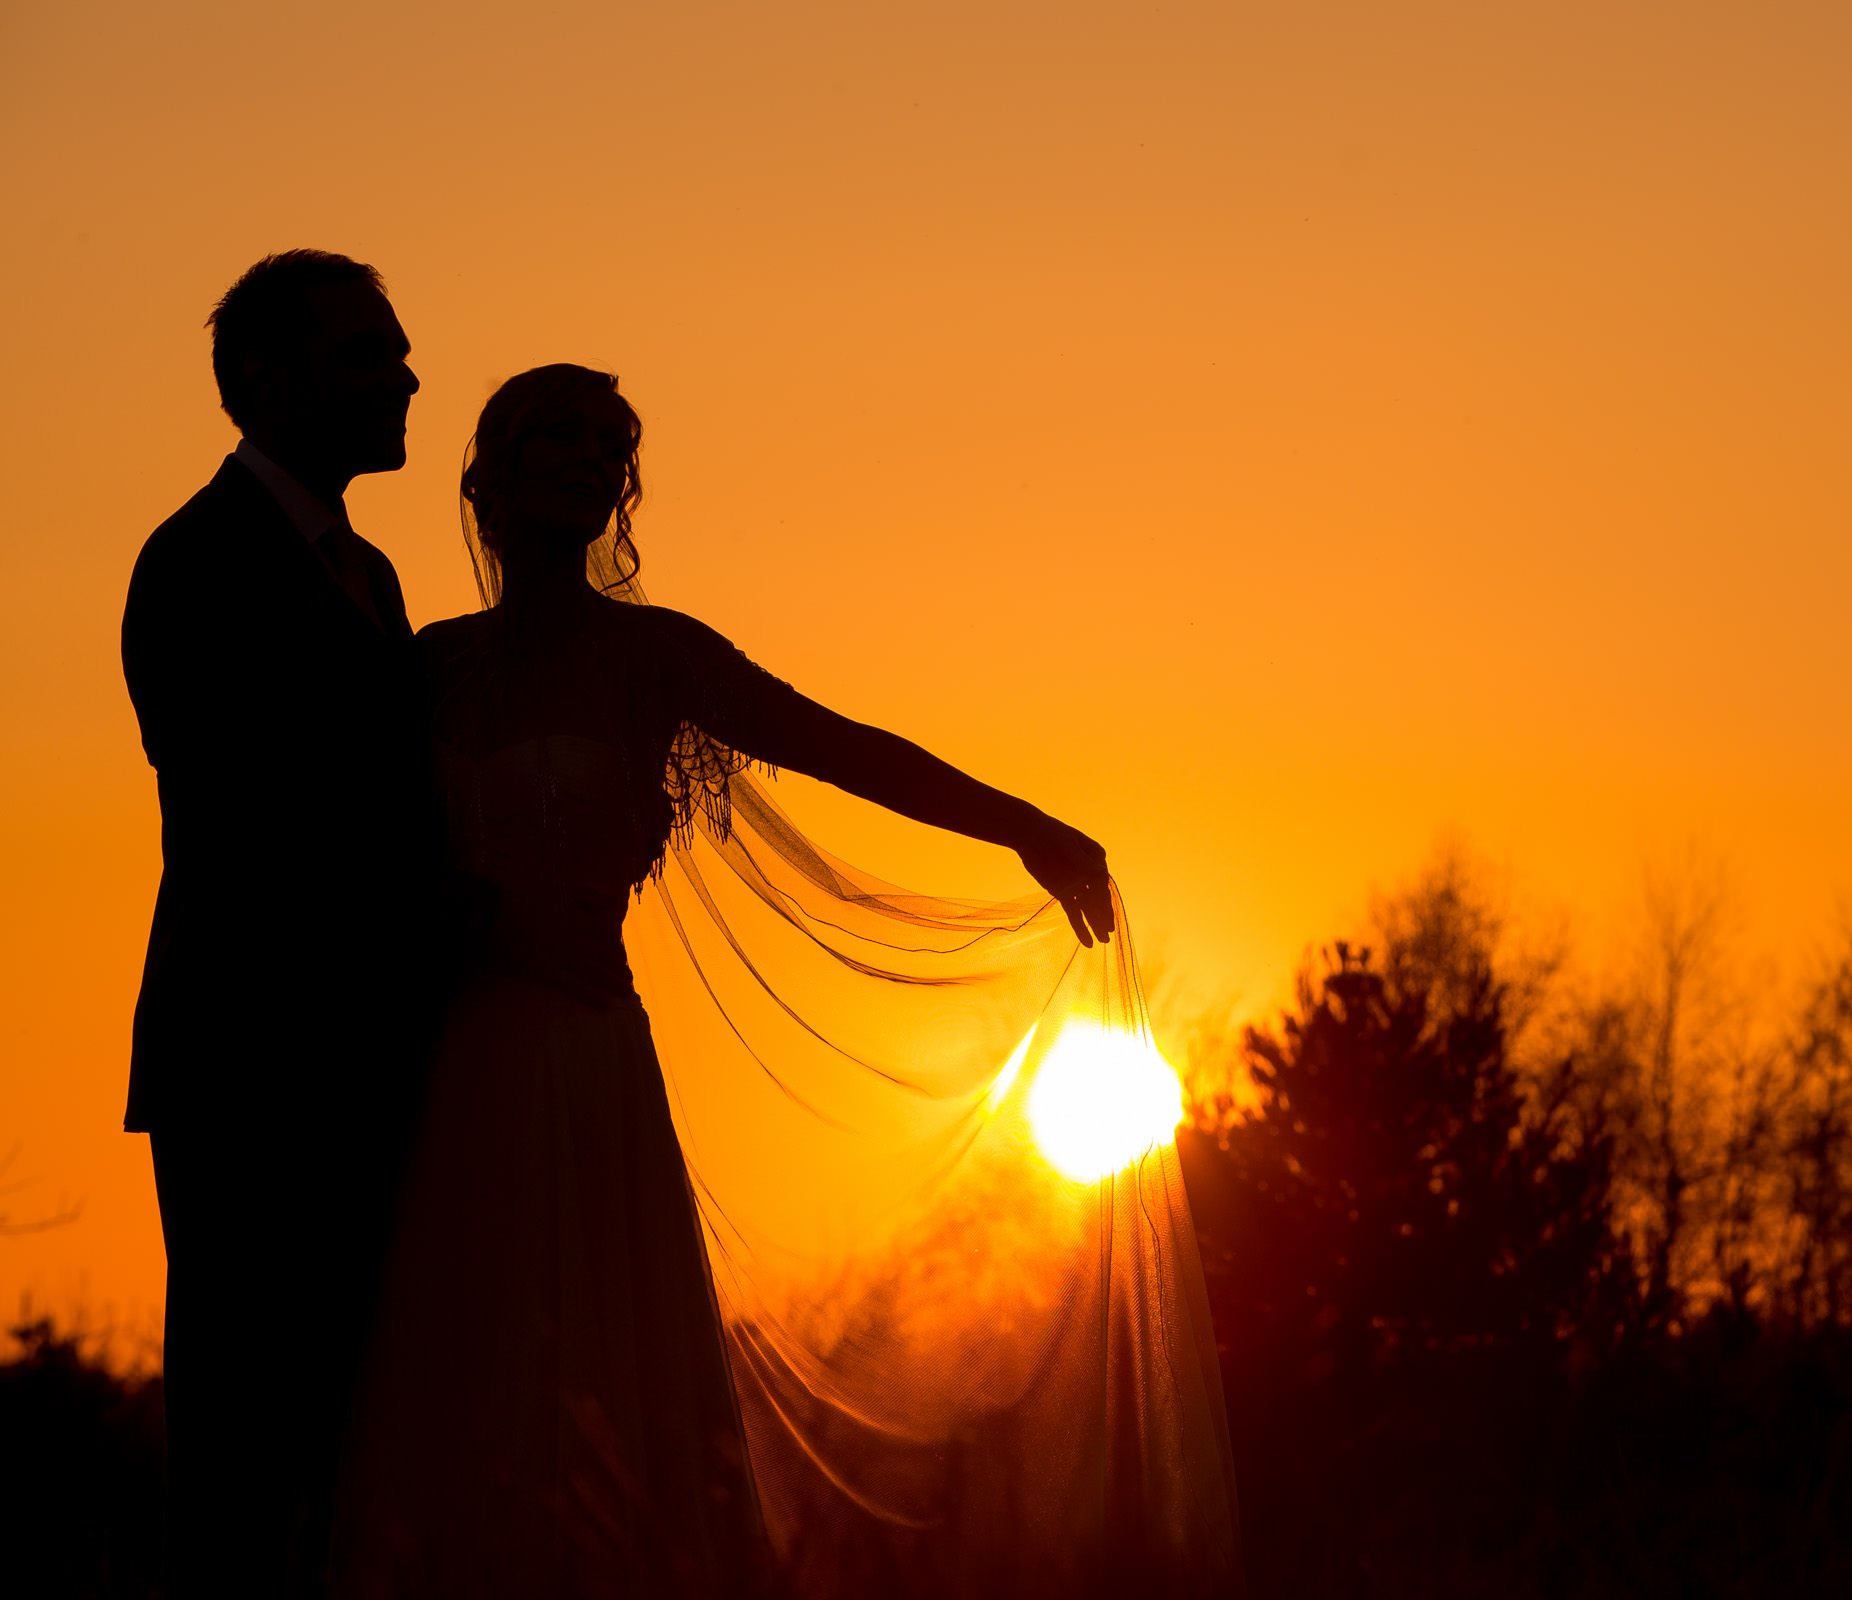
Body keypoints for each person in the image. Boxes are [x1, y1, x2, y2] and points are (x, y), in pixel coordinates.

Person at [332, 364, 1237, 1598]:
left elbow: (839, 745)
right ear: (486, 476)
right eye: (561, 439)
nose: (589, 466)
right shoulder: (424, 665)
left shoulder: (656, 660)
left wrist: (1023, 821)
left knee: (611, 1374)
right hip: (455, 1070)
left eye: (610, 448)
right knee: (464, 1374)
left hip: (592, 1057)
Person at [121, 249, 444, 1595]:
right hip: (254, 1063)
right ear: (265, 377)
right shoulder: (196, 563)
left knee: (344, 1452)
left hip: (369, 1067)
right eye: (369, 351)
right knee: (245, 1454)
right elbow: (255, 811)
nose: (406, 375)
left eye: (399, 347)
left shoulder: (367, 572)